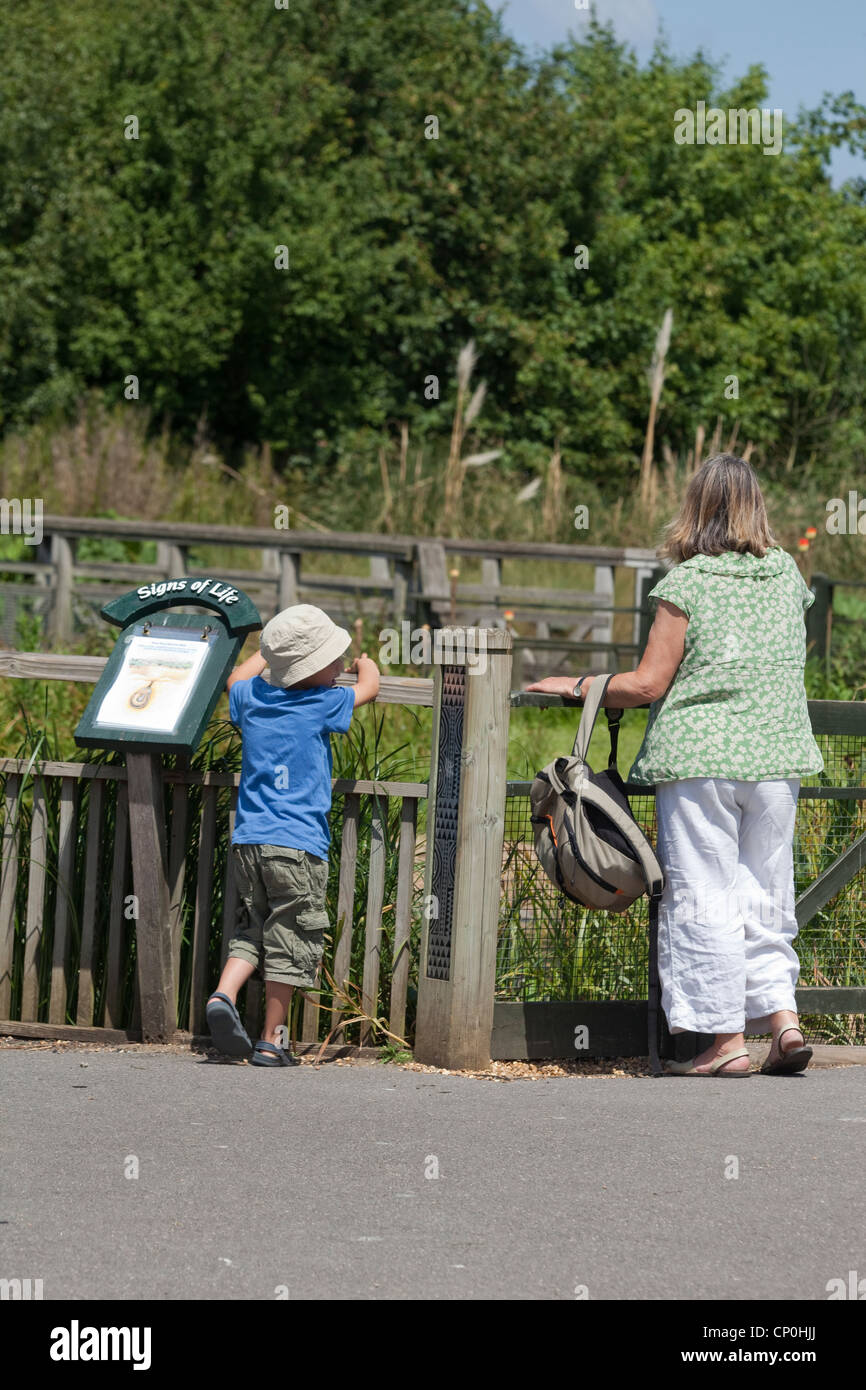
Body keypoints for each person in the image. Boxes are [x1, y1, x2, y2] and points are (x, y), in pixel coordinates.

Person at [526, 453, 823, 1076]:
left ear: (696, 506)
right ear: (755, 506)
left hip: (701, 760)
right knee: (766, 891)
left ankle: (724, 1045)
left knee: (704, 897)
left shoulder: (685, 585)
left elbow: (646, 685)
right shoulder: (787, 574)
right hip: (778, 759)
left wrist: (575, 683)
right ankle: (784, 1022)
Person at [206, 604, 380, 1066]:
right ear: (313, 670)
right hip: (298, 845)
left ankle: (224, 993)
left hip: (249, 841)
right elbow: (369, 689)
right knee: (290, 937)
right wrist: (368, 666)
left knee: (253, 927)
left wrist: (270, 655)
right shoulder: (322, 703)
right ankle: (272, 1039)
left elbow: (234, 679)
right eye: (333, 660)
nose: (341, 666)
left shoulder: (253, 700)